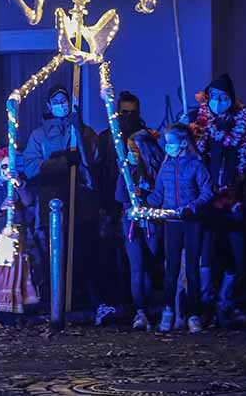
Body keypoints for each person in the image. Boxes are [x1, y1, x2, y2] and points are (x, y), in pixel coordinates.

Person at [20, 84, 103, 316]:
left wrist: (81, 134)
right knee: (53, 251)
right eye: (56, 102)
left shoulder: (81, 130)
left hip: (81, 202)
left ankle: (85, 296)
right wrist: (62, 162)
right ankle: (55, 298)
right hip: (51, 201)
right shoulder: (39, 136)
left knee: (83, 250)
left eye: (64, 101)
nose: (61, 105)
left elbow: (95, 158)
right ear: (48, 105)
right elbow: (31, 166)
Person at [191, 73, 246, 327]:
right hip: (206, 199)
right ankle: (205, 305)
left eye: (223, 98)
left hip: (234, 199)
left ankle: (226, 302)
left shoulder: (245, 125)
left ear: (232, 100)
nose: (218, 102)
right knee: (206, 253)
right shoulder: (198, 123)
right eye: (214, 98)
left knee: (236, 254)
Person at [147, 123, 211, 333]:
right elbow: (158, 195)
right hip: (171, 224)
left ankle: (193, 314)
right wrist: (142, 198)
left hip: (191, 223)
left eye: (171, 143)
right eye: (167, 143)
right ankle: (168, 313)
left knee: (192, 270)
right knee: (171, 270)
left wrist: (191, 207)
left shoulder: (196, 166)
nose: (168, 146)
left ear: (183, 143)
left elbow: (206, 193)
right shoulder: (165, 166)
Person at [95, 90, 147, 324]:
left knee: (137, 259)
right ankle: (115, 302)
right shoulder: (107, 137)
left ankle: (138, 306)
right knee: (111, 255)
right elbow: (99, 170)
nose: (128, 117)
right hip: (111, 203)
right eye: (123, 113)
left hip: (136, 204)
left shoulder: (143, 137)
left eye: (132, 113)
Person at [0, 146, 41, 314]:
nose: (6, 171)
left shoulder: (17, 184)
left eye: (9, 167)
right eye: (3, 167)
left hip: (14, 236)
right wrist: (0, 206)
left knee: (13, 270)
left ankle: (10, 306)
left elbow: (28, 202)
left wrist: (19, 185)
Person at [117, 129, 164, 330]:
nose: (131, 154)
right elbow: (120, 197)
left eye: (134, 151)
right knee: (137, 268)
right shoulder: (127, 171)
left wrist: (144, 196)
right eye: (129, 151)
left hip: (152, 223)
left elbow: (160, 196)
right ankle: (140, 311)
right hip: (132, 224)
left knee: (153, 264)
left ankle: (156, 306)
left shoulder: (158, 171)